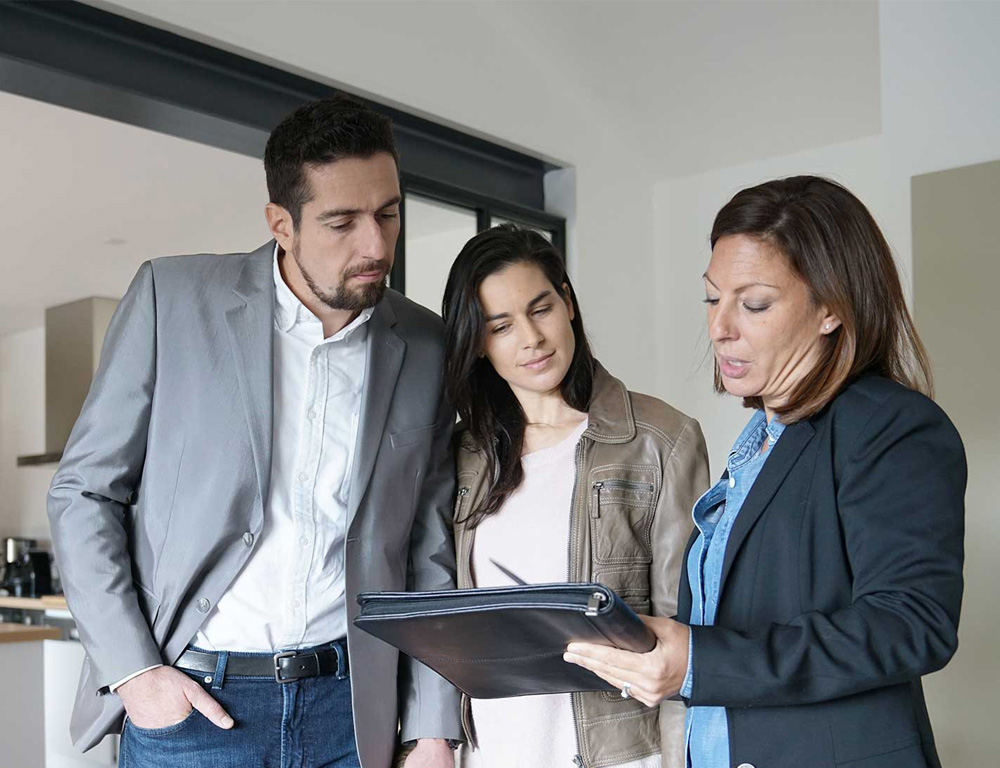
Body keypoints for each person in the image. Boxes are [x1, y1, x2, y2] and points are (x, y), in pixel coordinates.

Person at [48, 97, 459, 768]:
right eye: (341, 222)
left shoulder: (424, 342)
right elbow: (82, 493)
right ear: (281, 225)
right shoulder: (170, 299)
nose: (376, 246)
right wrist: (138, 676)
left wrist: (432, 727)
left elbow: (428, 548)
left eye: (388, 213)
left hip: (351, 716)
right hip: (195, 711)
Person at [564, 176, 966, 768]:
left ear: (831, 308)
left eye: (753, 304)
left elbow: (911, 623)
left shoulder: (890, 426)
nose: (720, 326)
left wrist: (699, 660)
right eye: (711, 297)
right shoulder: (759, 443)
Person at [440, 225, 709, 768]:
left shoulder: (660, 440)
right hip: (489, 753)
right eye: (501, 326)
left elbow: (688, 635)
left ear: (567, 302)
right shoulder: (460, 456)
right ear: (479, 345)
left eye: (540, 309)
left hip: (621, 757)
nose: (531, 338)